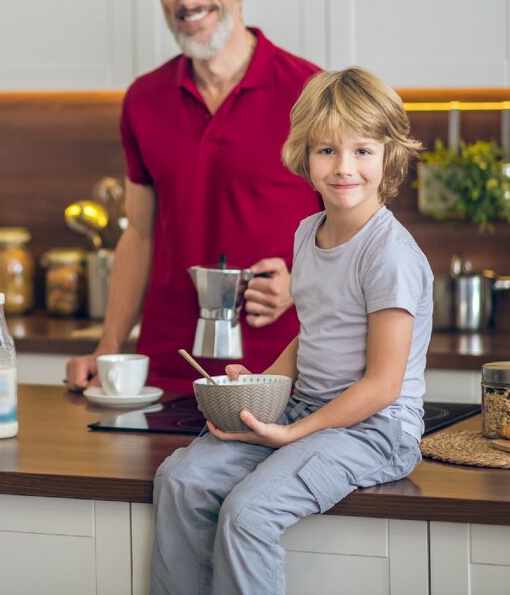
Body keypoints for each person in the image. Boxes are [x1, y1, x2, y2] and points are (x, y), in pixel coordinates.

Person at [150, 66, 431, 594]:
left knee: (248, 512)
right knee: (179, 480)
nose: (344, 167)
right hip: (308, 412)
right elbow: (316, 333)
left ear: (389, 156)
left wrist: (292, 433)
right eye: (327, 150)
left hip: (374, 431)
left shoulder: (389, 254)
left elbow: (382, 385)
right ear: (304, 155)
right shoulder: (309, 233)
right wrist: (260, 390)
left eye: (362, 151)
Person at [65, 0, 323, 393]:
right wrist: (109, 344)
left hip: (288, 372)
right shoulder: (144, 100)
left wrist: (302, 283)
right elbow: (139, 234)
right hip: (168, 368)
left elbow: (355, 231)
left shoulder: (311, 91)